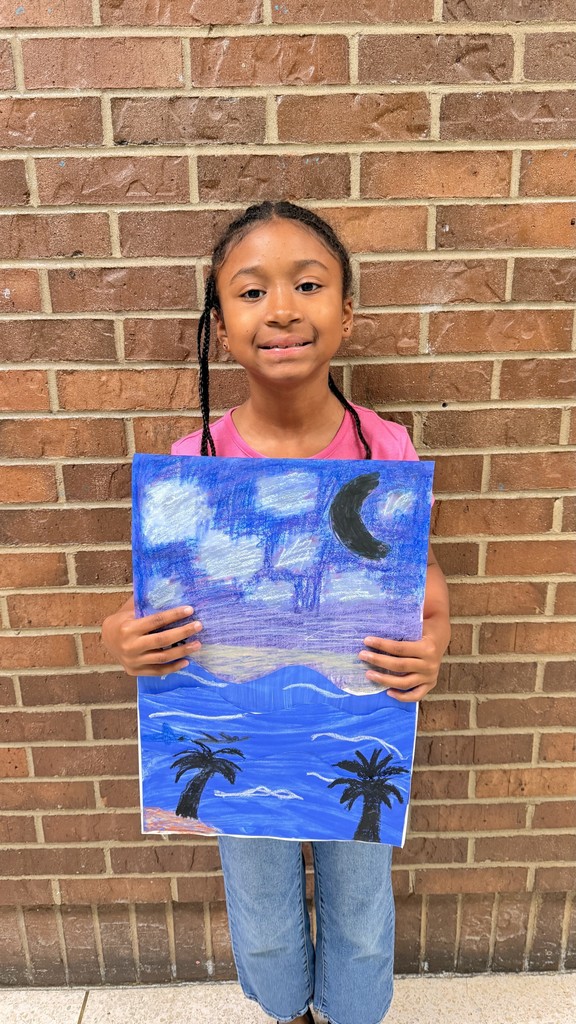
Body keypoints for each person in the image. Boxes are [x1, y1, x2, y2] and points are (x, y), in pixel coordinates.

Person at [102, 201, 451, 1024]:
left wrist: (432, 643)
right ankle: (287, 1012)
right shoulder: (197, 466)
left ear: (347, 313)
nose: (284, 308)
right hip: (234, 736)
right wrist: (120, 637)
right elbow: (140, 611)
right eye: (252, 292)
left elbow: (427, 593)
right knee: (259, 911)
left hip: (356, 720)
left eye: (308, 284)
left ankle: (353, 1014)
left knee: (362, 913)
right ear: (220, 326)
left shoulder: (385, 452)